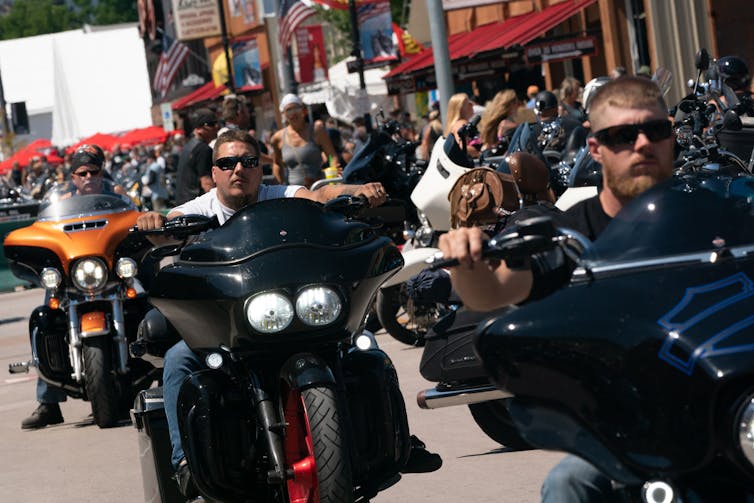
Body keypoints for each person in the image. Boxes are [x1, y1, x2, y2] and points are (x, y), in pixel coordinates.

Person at [437, 76, 675, 501]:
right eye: (622, 135)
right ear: (595, 147)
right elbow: (492, 292)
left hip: (728, 406)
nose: (642, 145)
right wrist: (466, 261)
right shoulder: (570, 233)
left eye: (655, 131)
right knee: (568, 484)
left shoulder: (709, 212)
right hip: (624, 428)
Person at [137, 129, 410, 496]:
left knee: (363, 342)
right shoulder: (198, 210)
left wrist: (350, 191)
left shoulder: (280, 197)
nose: (239, 169)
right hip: (234, 328)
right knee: (177, 361)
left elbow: (317, 196)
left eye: (249, 161)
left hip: (296, 313)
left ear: (260, 167)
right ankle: (183, 462)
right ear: (214, 172)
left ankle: (397, 438)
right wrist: (154, 223)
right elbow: (167, 226)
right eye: (227, 163)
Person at [20, 144, 126, 429]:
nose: (89, 177)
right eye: (83, 172)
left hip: (111, 272)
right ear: (74, 176)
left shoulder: (118, 197)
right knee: (45, 314)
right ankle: (48, 401)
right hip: (74, 273)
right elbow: (44, 230)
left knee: (150, 295)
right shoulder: (61, 201)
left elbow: (135, 221)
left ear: (102, 171)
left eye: (94, 171)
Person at [270, 93, 339, 188]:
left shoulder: (316, 130)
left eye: (296, 108)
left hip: (318, 188)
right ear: (284, 114)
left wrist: (334, 175)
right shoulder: (277, 138)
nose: (293, 113)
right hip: (294, 194)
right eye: (289, 110)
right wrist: (279, 186)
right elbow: (277, 163)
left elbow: (332, 156)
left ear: (303, 110)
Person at [175, 107, 220, 205]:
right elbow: (207, 183)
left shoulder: (188, 146)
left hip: (184, 204)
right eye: (211, 124)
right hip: (196, 207)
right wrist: (218, 205)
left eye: (217, 123)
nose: (217, 126)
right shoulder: (203, 149)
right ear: (199, 128)